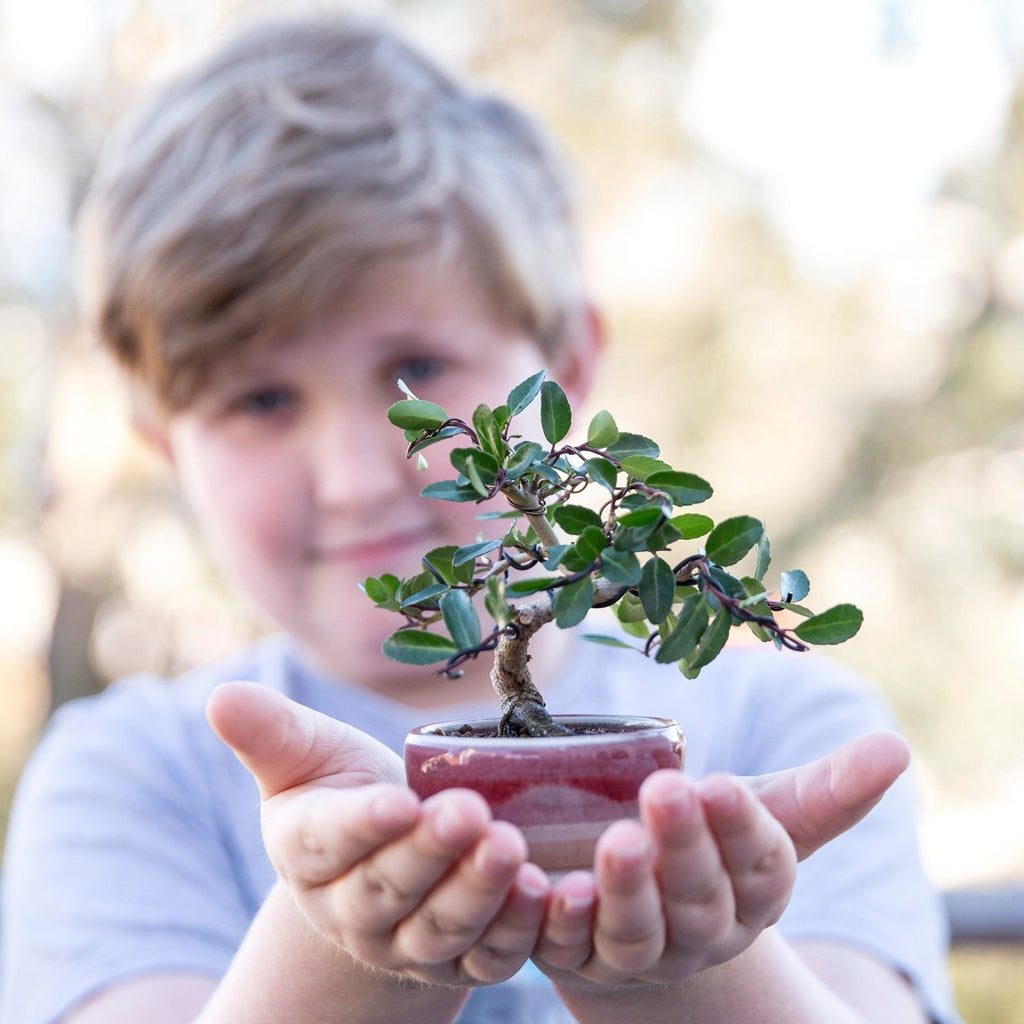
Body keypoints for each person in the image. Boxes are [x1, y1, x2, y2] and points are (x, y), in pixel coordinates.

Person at [0, 12, 962, 1024]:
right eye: (261, 402)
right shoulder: (133, 773)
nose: (359, 475)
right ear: (164, 448)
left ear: (567, 368)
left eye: (420, 372)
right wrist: (344, 951)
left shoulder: (786, 733)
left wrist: (691, 972)